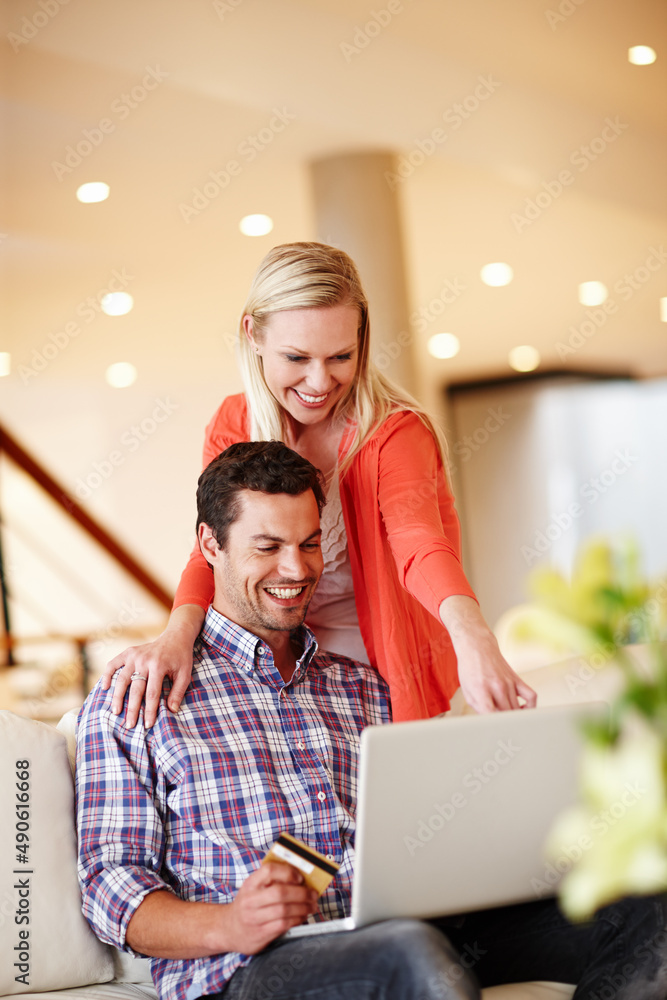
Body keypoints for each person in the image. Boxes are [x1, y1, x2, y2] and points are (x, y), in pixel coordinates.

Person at [77, 442, 667, 1000]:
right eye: (267, 547)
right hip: (251, 966)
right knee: (409, 954)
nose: (296, 569)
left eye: (309, 545)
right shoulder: (140, 696)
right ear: (210, 545)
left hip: (415, 928)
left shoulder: (363, 688)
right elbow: (110, 887)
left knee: (646, 909)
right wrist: (231, 924)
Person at [104, 241, 535, 728]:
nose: (319, 380)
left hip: (381, 661)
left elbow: (419, 544)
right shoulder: (234, 421)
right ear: (253, 334)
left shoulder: (394, 432)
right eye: (296, 357)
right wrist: (176, 636)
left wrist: (473, 638)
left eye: (340, 356)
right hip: (280, 658)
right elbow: (212, 549)